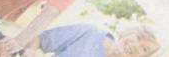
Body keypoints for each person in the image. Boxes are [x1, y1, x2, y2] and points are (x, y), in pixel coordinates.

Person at [23, 24, 160, 57]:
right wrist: (29, 51)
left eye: (144, 49)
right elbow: (41, 39)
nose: (135, 46)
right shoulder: (91, 32)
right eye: (138, 38)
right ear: (130, 32)